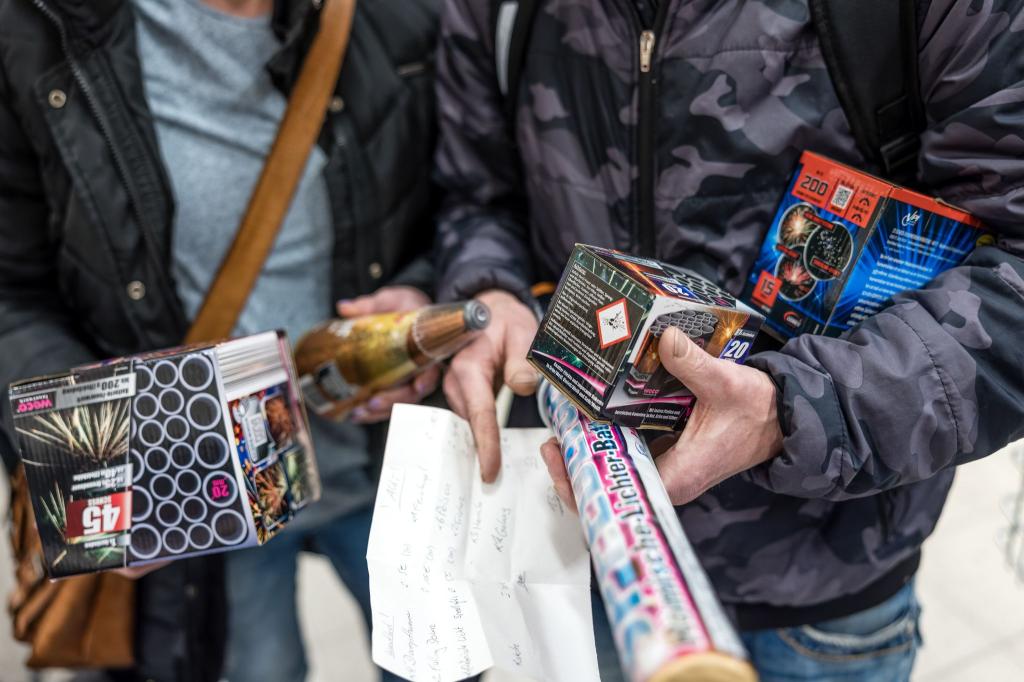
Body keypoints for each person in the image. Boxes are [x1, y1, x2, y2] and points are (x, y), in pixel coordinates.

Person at [433, 1, 1024, 680]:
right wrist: (489, 293)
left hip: (816, 590)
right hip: (578, 559)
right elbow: (478, 191)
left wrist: (796, 409)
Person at [0, 0, 440, 680]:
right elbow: (12, 289)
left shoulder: (405, 14)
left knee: (441, 663)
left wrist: (422, 291)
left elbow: (474, 194)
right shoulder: (37, 27)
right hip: (202, 500)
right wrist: (97, 447)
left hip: (391, 462)